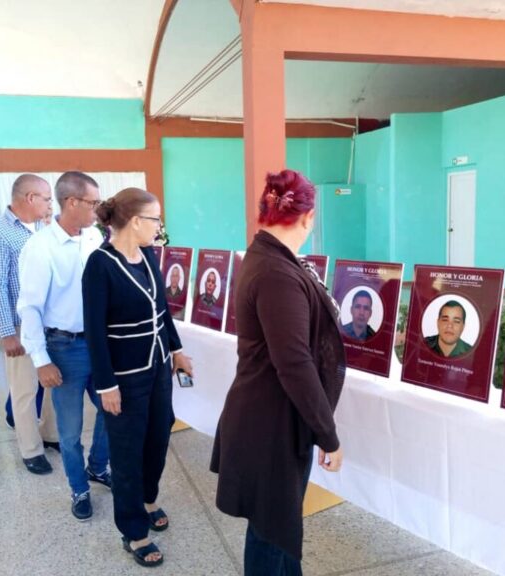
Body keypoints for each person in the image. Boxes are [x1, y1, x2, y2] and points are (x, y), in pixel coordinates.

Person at [210, 170, 345, 576]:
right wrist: (328, 434)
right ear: (307, 218)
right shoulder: (276, 272)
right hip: (271, 422)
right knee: (272, 530)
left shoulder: (269, 257)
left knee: (278, 526)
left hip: (272, 415)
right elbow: (294, 363)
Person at [83, 187, 193, 568]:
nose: (159, 227)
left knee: (158, 436)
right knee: (127, 453)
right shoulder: (99, 264)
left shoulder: (147, 256)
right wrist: (105, 384)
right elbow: (94, 331)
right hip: (124, 377)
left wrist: (176, 350)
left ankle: (148, 498)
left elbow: (162, 311)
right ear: (134, 222)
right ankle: (134, 531)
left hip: (159, 367)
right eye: (155, 220)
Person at [17, 172, 111, 521]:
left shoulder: (94, 236)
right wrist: (41, 361)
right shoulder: (40, 248)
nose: (97, 210)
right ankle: (79, 488)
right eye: (93, 203)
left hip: (99, 344)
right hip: (64, 347)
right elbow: (29, 307)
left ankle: (98, 467)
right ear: (71, 203)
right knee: (69, 431)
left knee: (111, 409)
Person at [0, 173, 59, 475]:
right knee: (24, 389)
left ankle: (50, 435)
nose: (50, 204)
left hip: (49, 323)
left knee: (52, 383)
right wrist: (7, 332)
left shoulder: (41, 228)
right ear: (30, 198)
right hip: (20, 326)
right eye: (47, 198)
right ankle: (30, 449)